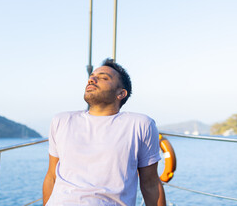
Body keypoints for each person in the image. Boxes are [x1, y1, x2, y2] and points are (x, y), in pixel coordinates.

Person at [43, 58, 166, 206]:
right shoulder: (61, 121)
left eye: (103, 78)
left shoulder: (140, 124)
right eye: (91, 77)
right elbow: (51, 177)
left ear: (121, 93)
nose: (92, 80)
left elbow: (150, 184)